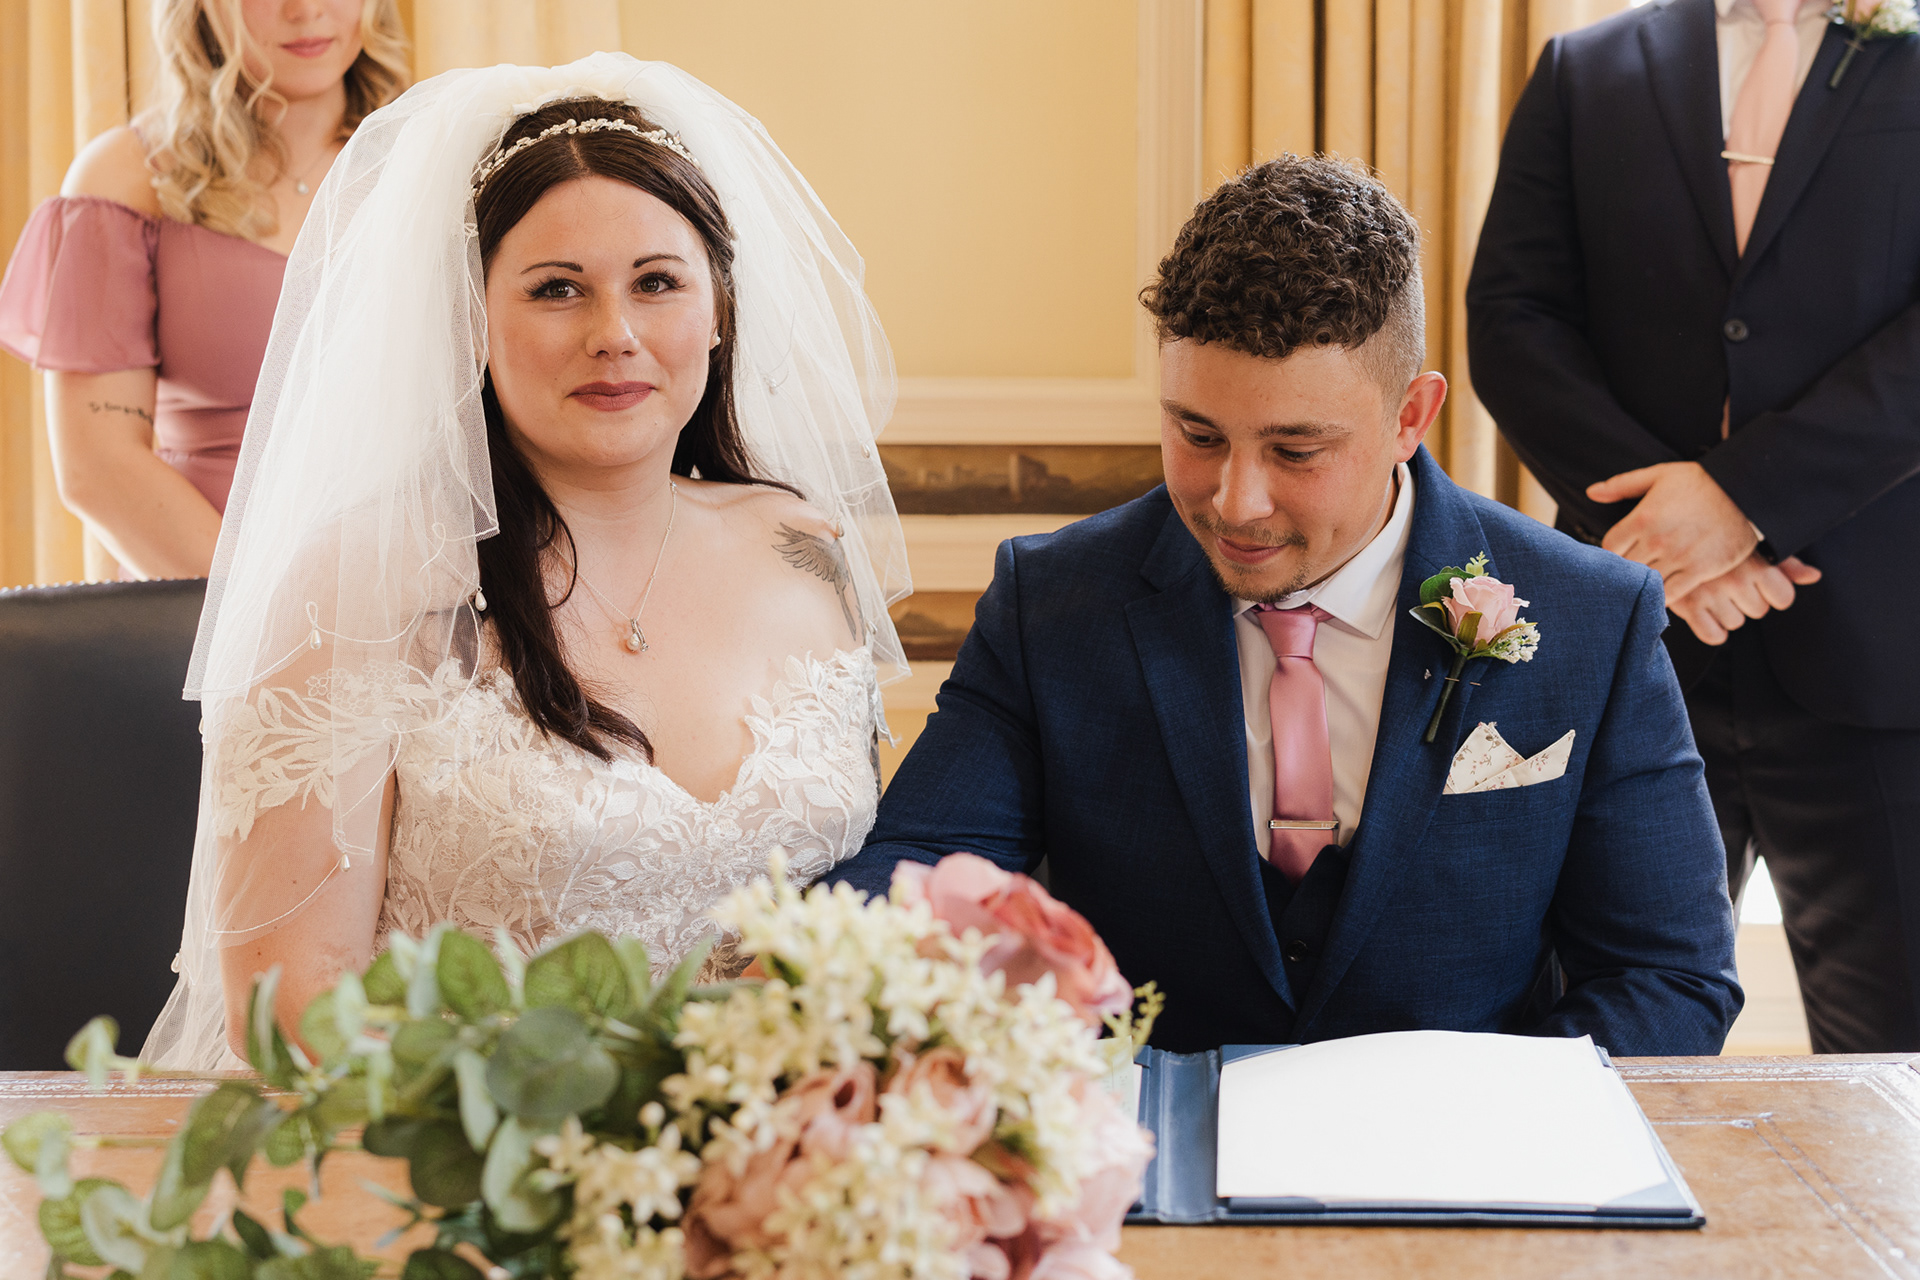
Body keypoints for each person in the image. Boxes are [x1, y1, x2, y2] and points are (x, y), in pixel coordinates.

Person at [828, 156, 1740, 1056]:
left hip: (1463, 1145)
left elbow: (1670, 976)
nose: (1236, 502)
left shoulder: (1594, 617)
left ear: (1410, 418)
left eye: (1296, 451)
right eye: (1197, 434)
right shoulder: (1052, 603)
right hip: (1142, 1134)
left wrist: (1483, 1119)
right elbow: (917, 874)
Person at [143, 54, 912, 1070]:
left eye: (657, 283)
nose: (615, 334)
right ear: (472, 322)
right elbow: (293, 1003)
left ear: (720, 308)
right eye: (557, 290)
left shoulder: (803, 550)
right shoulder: (354, 591)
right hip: (456, 1144)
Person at [1465, 0, 1920, 1052]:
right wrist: (1670, 539)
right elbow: (1514, 318)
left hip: (1879, 656)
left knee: (1900, 1067)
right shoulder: (1585, 68)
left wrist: (1740, 505)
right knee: (1608, 1038)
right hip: (1639, 649)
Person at [0, 0, 408, 579]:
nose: (307, 10)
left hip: (415, 590)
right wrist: (267, 615)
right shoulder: (127, 179)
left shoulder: (437, 161)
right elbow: (98, 468)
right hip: (199, 598)